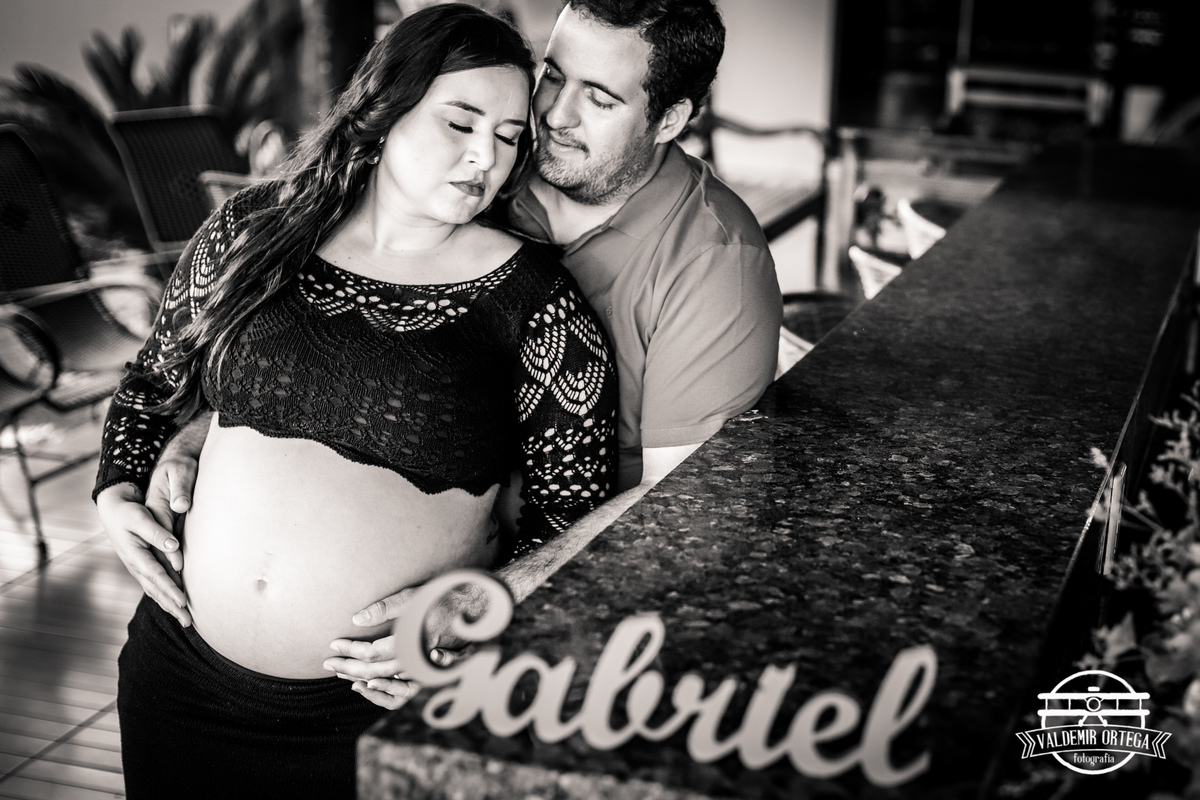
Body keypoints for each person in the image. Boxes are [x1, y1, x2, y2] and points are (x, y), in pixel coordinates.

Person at [103, 0, 780, 709]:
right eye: (553, 76)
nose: (552, 117)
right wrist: (190, 435)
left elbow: (686, 508)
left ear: (669, 120)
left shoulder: (711, 263)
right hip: (181, 662)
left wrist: (488, 610)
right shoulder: (485, 181)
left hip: (546, 614)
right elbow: (235, 368)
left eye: (601, 98)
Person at [92, 5, 617, 798]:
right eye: (460, 123)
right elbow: (151, 384)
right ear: (385, 109)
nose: (486, 157)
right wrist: (116, 491)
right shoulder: (250, 230)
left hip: (374, 709)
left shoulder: (537, 305)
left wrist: (474, 629)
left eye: (510, 137)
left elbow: (575, 521)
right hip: (179, 677)